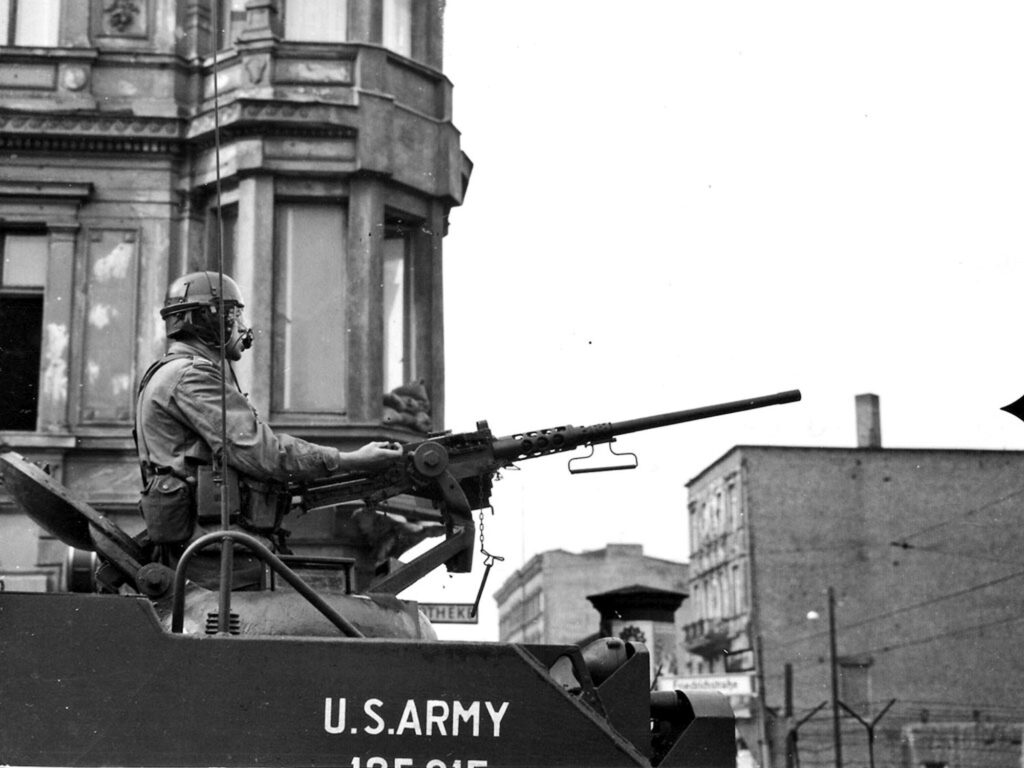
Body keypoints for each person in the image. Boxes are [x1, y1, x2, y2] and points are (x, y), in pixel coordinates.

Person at [134, 270, 403, 589]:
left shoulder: (171, 374)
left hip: (213, 551)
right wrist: (350, 460)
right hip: (220, 558)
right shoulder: (192, 377)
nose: (244, 328)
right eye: (235, 315)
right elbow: (265, 454)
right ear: (211, 321)